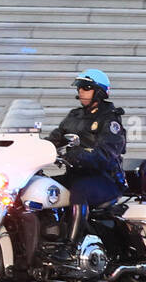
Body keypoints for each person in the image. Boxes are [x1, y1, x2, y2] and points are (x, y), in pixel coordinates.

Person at [44, 69, 128, 255]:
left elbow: (107, 153)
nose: (81, 91)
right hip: (76, 175)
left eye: (87, 87)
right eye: (80, 87)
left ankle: (70, 246)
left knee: (79, 192)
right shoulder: (74, 116)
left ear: (99, 91)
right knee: (43, 187)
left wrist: (78, 156)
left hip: (105, 179)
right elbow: (54, 139)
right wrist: (33, 147)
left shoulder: (110, 118)